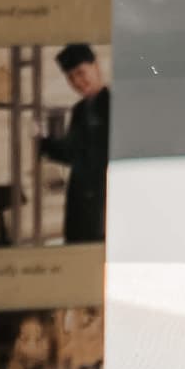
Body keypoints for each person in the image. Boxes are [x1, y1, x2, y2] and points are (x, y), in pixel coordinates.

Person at [37, 42, 111, 244]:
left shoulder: (114, 104)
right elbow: (72, 153)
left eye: (80, 72)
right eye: (70, 77)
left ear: (96, 67)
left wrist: (49, 146)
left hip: (105, 201)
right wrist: (41, 144)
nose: (77, 81)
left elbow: (92, 153)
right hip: (78, 199)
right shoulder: (78, 110)